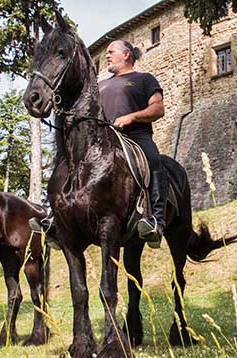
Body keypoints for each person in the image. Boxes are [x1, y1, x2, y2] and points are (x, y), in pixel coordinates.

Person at [98, 39, 167, 246]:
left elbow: (158, 109)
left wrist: (132, 117)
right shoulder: (100, 85)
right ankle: (56, 218)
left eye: (111, 52)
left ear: (126, 55)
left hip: (135, 136)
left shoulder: (144, 79)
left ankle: (156, 220)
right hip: (104, 140)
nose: (107, 56)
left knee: (154, 160)